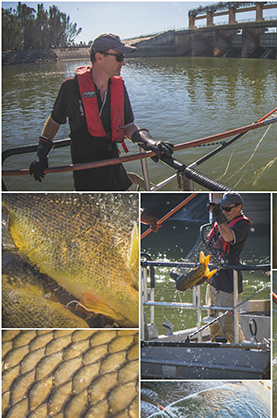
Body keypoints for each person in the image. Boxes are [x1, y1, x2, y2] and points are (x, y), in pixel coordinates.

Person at [30, 33, 174, 190]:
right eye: (119, 57)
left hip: (114, 169)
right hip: (85, 174)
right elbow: (54, 121)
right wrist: (41, 153)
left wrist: (150, 142)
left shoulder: (119, 87)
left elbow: (128, 125)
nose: (123, 62)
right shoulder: (70, 88)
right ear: (99, 57)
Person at [206, 192, 252, 343]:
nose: (225, 212)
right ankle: (216, 347)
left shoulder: (242, 224)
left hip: (229, 280)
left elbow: (227, 237)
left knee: (228, 323)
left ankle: (240, 349)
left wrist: (219, 216)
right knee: (212, 318)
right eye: (222, 209)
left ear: (239, 207)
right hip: (214, 277)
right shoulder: (223, 219)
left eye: (228, 209)